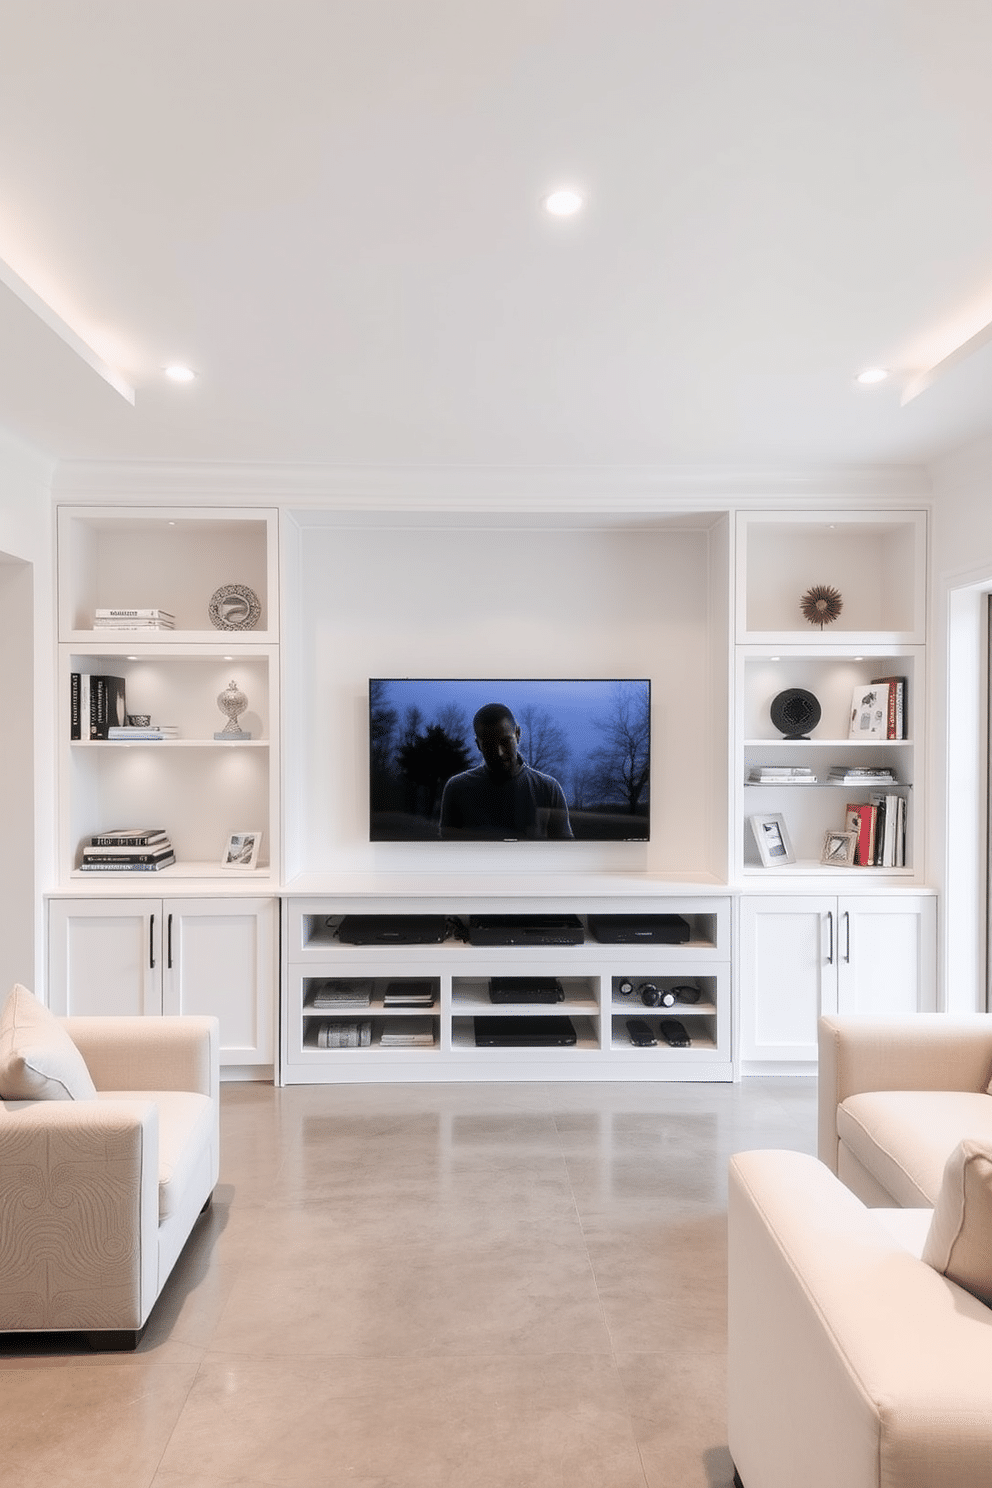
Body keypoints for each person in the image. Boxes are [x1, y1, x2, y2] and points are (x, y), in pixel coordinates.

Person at [439, 702, 574, 839]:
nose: (499, 753)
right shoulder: (456, 789)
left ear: (518, 734)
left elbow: (565, 853)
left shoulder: (548, 789)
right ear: (478, 745)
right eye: (489, 745)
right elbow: (447, 853)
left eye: (505, 742)